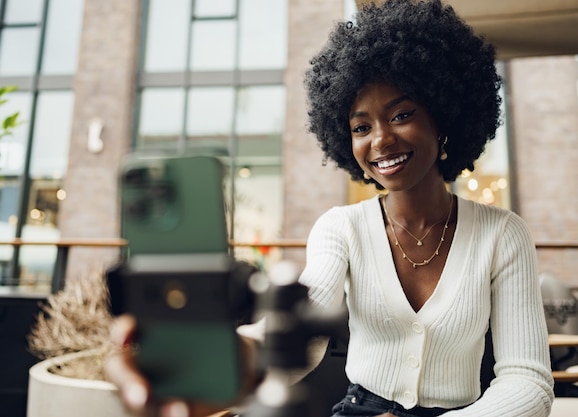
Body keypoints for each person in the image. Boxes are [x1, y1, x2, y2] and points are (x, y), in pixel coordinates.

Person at [105, 1, 555, 416]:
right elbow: (298, 328)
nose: (380, 140)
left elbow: (528, 382)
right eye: (362, 126)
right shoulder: (342, 227)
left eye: (401, 115)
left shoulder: (503, 234)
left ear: (445, 118)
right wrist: (217, 362)